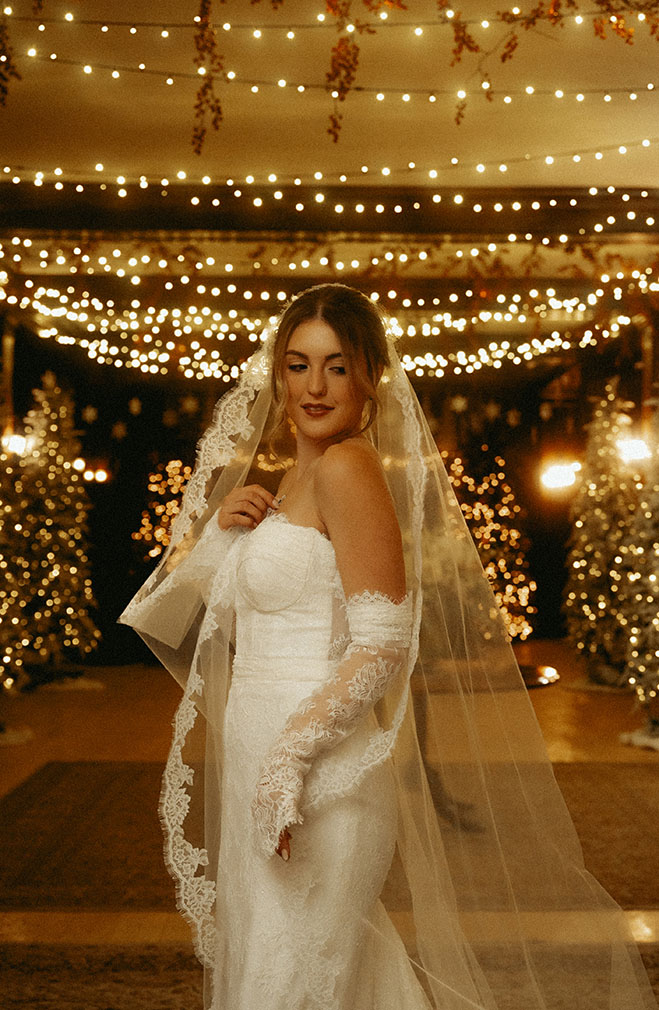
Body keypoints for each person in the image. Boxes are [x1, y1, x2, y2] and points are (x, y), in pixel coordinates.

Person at [121, 284, 655, 1010]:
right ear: (276, 375)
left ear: (370, 376)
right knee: (294, 978)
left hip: (318, 778)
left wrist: (287, 765)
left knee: (288, 986)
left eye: (337, 367)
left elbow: (380, 646)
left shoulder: (349, 467)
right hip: (262, 759)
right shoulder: (285, 481)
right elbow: (194, 619)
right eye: (297, 364)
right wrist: (221, 534)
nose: (314, 386)